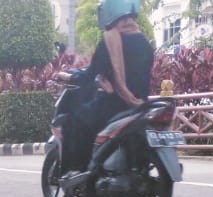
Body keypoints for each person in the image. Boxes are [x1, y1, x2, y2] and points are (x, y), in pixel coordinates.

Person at [62, 0, 155, 185]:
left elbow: (90, 75)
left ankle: (78, 170)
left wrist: (68, 77)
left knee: (77, 119)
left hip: (114, 104)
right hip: (141, 104)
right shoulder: (144, 42)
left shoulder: (109, 40)